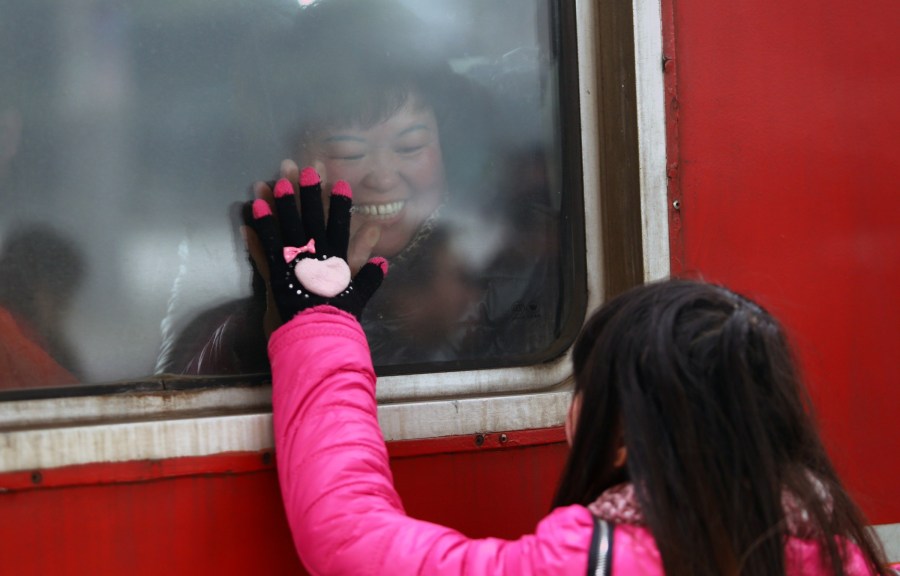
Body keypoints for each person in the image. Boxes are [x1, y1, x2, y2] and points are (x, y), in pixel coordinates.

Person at [251, 173, 890, 574]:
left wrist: (321, 325)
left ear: (623, 437)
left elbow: (353, 536)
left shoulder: (596, 560)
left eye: (587, 386)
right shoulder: (844, 551)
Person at [160, 0, 562, 374]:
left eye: (410, 145)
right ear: (292, 163)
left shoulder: (511, 277)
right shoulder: (230, 327)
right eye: (350, 153)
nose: (384, 176)